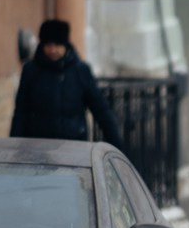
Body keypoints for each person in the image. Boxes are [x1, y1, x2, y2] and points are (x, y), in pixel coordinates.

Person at [9, 19, 124, 148]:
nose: (53, 50)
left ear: (65, 45)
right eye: (48, 45)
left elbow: (101, 110)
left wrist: (117, 147)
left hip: (73, 147)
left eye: (57, 45)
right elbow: (21, 112)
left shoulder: (80, 71)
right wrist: (15, 146)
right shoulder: (31, 71)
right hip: (38, 147)